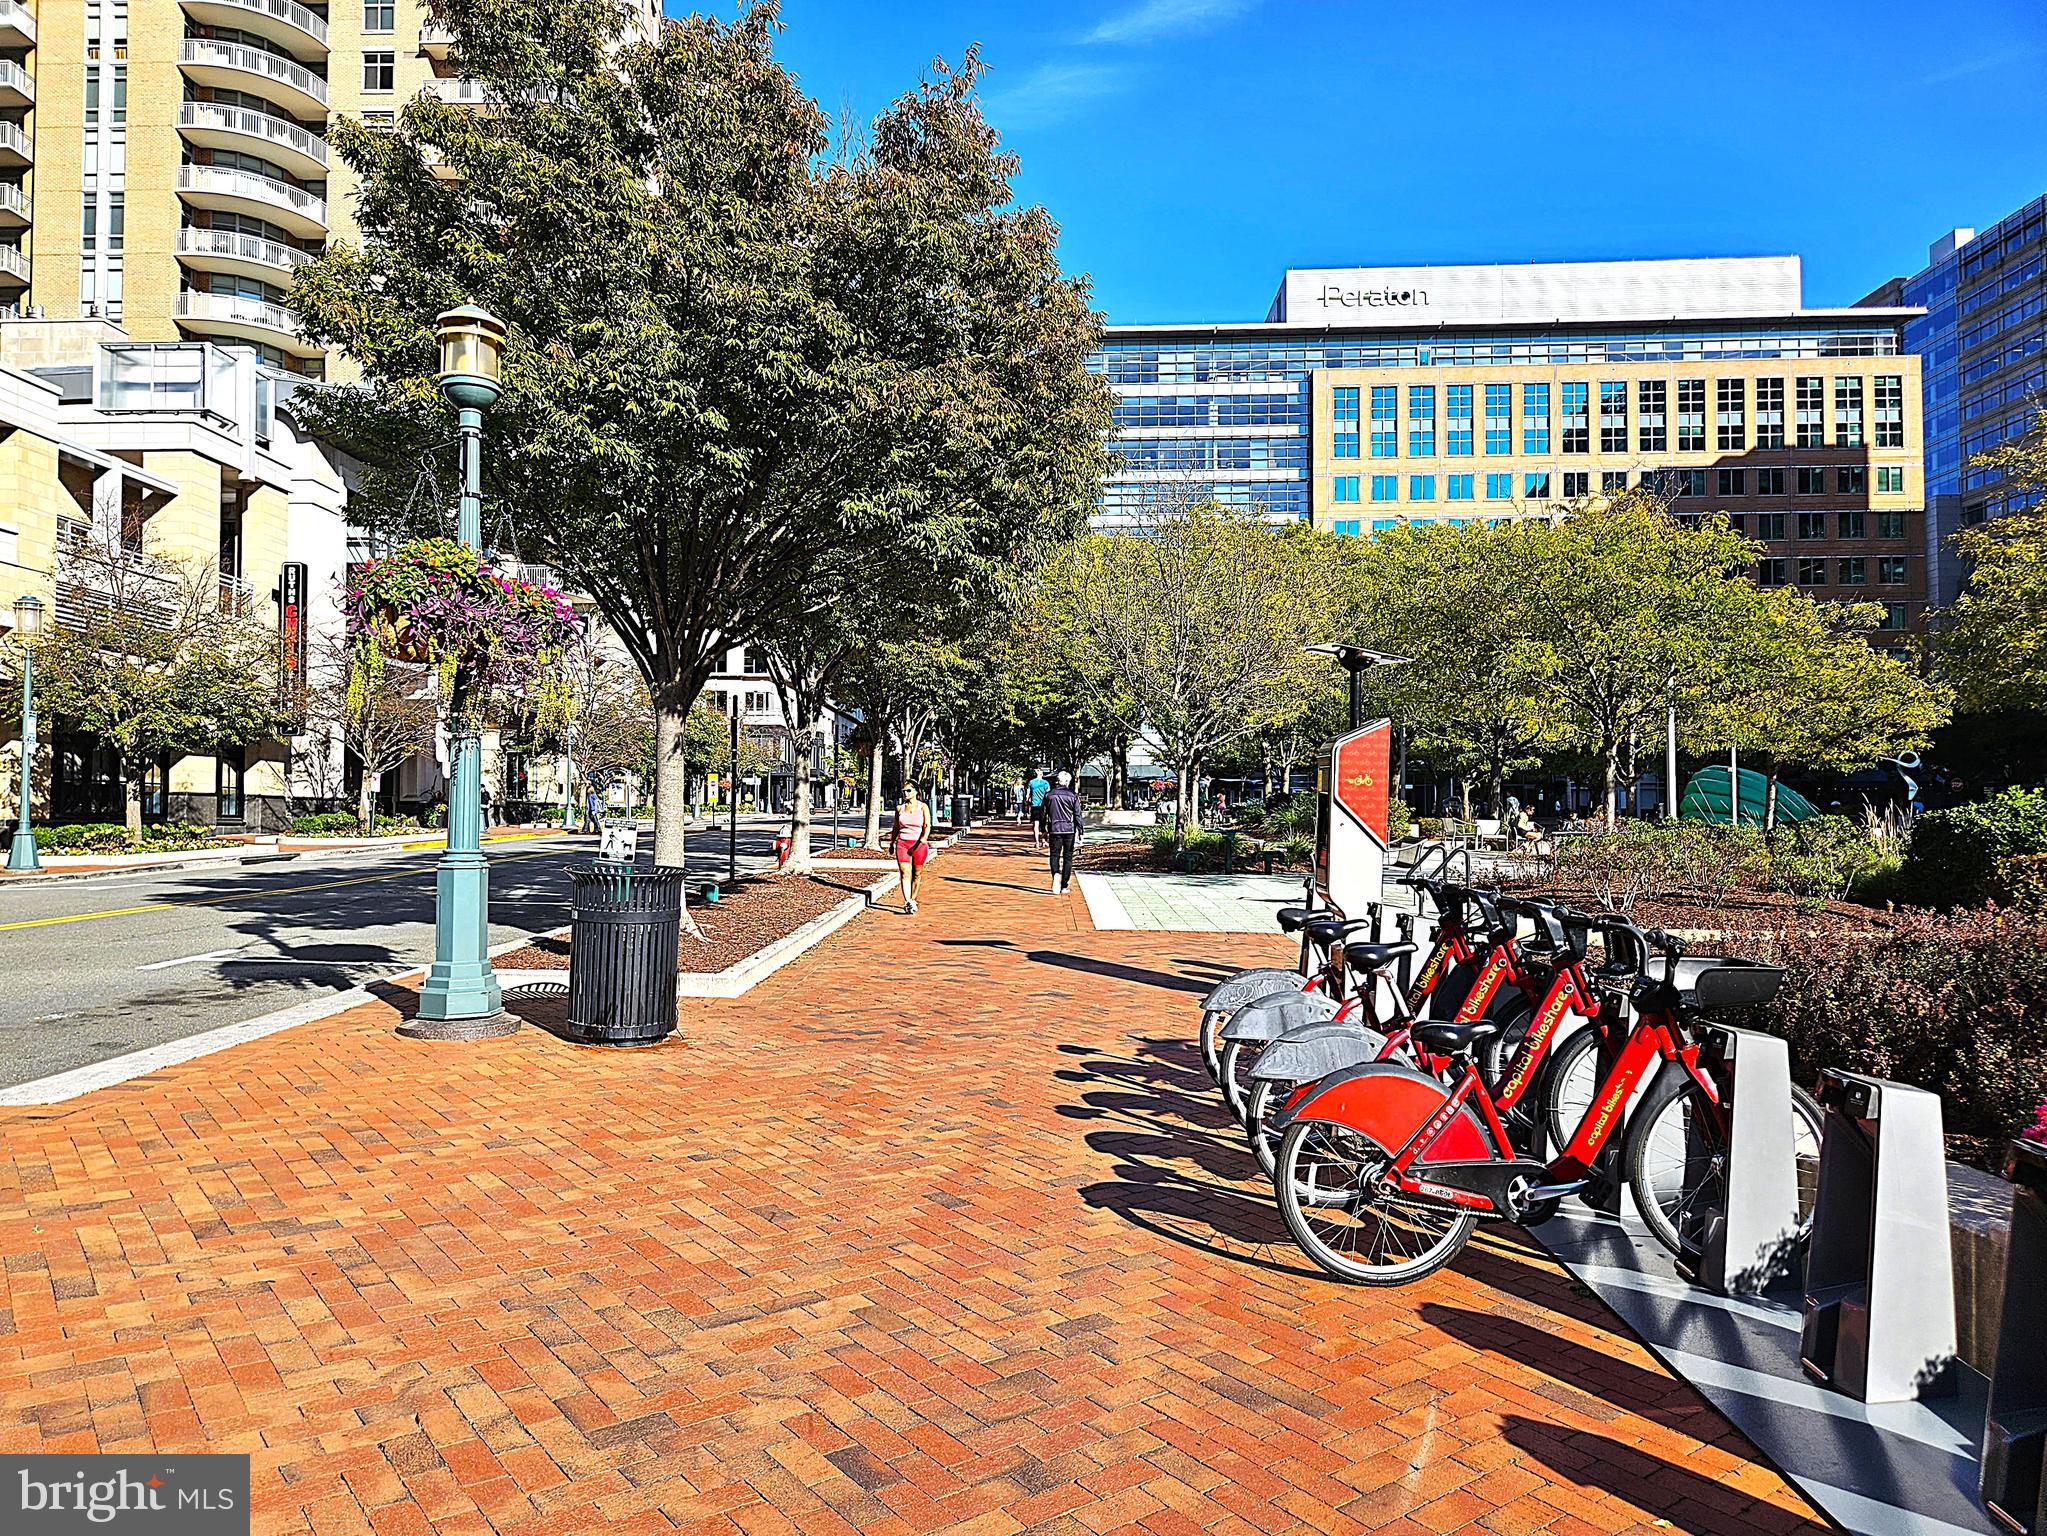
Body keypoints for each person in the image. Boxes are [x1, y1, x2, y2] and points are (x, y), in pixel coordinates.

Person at [891, 783, 932, 914]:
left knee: (917, 874)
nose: (905, 793)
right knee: (904, 872)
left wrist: (924, 838)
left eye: (908, 791)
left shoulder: (923, 807)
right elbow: (896, 827)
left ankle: (913, 899)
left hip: (918, 844)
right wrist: (892, 842)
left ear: (915, 792)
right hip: (902, 843)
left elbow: (927, 824)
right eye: (904, 791)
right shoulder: (899, 808)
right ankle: (908, 901)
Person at [1044, 770, 1082, 895]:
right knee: (1068, 857)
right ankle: (1064, 885)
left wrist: (1043, 830)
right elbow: (1077, 815)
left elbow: (1044, 814)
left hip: (1054, 828)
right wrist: (1080, 830)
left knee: (1054, 855)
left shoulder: (1049, 795)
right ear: (1067, 781)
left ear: (1057, 781)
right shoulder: (1073, 795)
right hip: (1068, 829)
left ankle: (1055, 874)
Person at [1027, 767, 1051, 849]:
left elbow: (1027, 795)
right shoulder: (1045, 783)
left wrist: (1027, 802)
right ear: (1042, 774)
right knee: (1044, 824)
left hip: (1034, 805)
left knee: (1036, 825)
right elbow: (1049, 795)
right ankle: (1044, 841)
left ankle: (1037, 842)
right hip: (1043, 805)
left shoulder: (1031, 782)